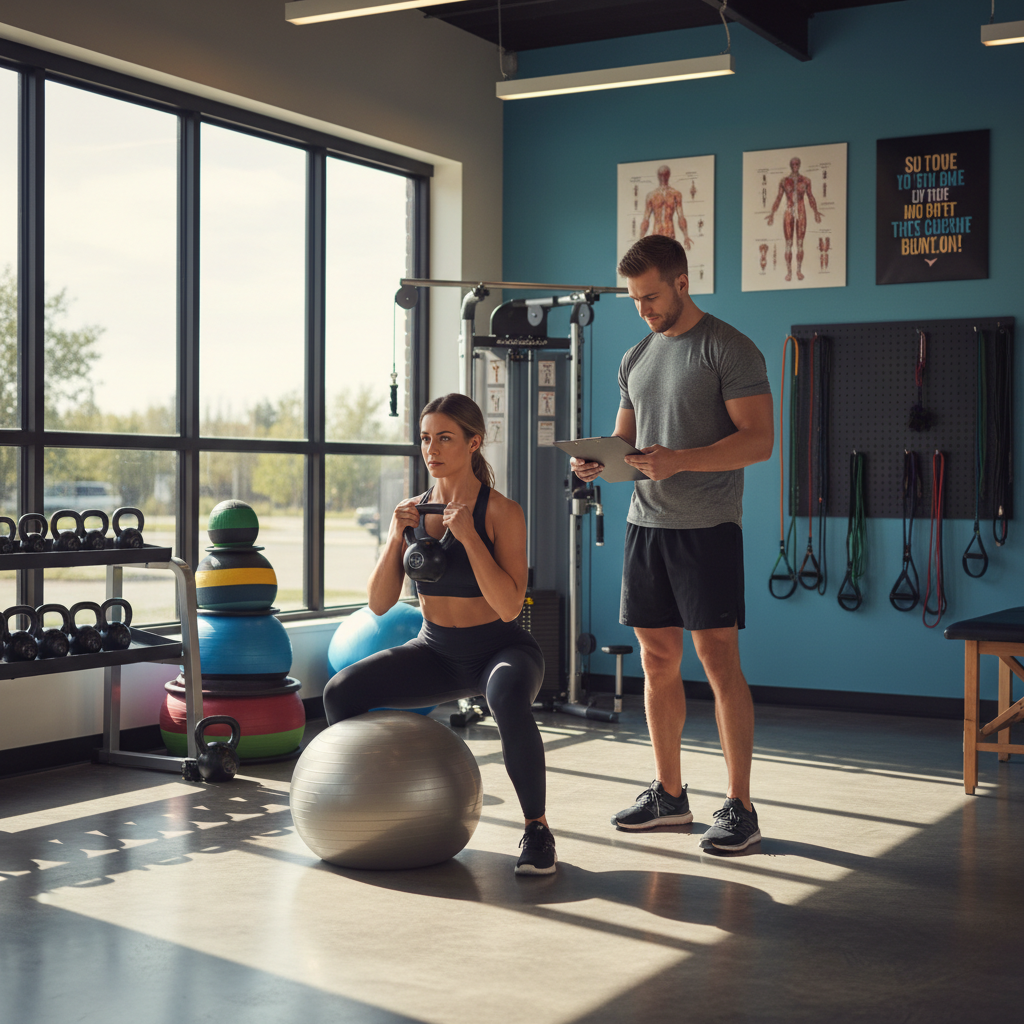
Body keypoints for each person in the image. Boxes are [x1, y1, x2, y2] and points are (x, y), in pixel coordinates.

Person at [571, 235, 773, 852]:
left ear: (682, 283)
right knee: (657, 659)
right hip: (646, 526)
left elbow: (759, 441)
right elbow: (628, 444)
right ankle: (669, 795)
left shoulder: (729, 348)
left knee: (718, 662)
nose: (643, 309)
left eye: (651, 297)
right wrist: (598, 462)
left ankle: (740, 805)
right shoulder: (636, 355)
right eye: (635, 299)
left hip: (708, 529)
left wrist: (680, 460)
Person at [323, 393, 555, 875]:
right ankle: (368, 807)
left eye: (445, 438)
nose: (432, 449)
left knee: (507, 697)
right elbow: (379, 604)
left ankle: (537, 830)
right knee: (341, 692)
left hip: (501, 650)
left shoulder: (501, 512)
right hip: (435, 652)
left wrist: (469, 537)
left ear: (474, 442)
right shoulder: (412, 512)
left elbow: (510, 605)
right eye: (426, 438)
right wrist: (394, 536)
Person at [766, 156, 823, 282]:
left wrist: (815, 212)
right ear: (790, 166)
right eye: (793, 164)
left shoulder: (806, 181)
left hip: (801, 212)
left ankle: (798, 270)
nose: (795, 166)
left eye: (797, 164)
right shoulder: (784, 181)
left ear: (799, 165)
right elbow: (778, 198)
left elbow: (811, 197)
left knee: (800, 243)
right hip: (788, 212)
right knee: (788, 244)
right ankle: (789, 272)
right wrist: (772, 213)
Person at [640, 165, 693, 249]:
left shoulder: (675, 194)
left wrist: (686, 235)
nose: (663, 177)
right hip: (656, 234)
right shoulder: (651, 195)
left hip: (670, 234)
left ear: (668, 175)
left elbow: (681, 216)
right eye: (661, 175)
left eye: (665, 174)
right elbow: (646, 219)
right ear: (658, 176)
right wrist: (640, 239)